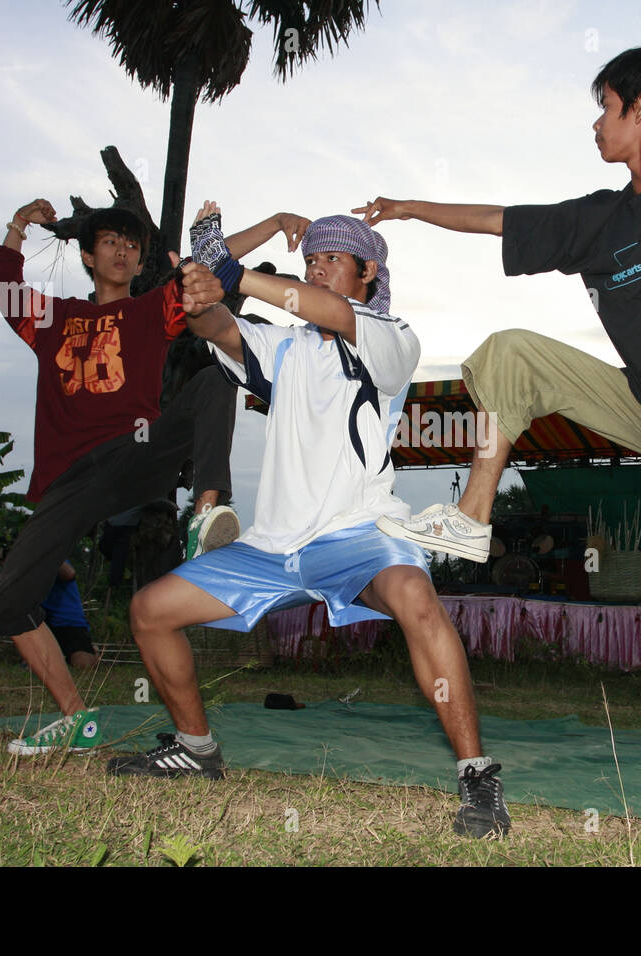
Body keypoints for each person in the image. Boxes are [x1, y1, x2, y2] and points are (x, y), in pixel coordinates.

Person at [359, 0, 641, 860]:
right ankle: (472, 515)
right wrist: (405, 207)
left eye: (606, 106)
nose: (596, 122)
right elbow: (497, 220)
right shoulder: (599, 217)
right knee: (510, 351)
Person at [108, 208, 510, 839]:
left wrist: (232, 272)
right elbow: (217, 328)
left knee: (414, 594)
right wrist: (198, 287)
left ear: (367, 272)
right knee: (149, 610)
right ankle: (196, 748)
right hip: (274, 545)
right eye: (312, 259)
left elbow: (326, 310)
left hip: (359, 534)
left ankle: (478, 776)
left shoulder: (389, 336)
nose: (317, 269)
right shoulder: (285, 345)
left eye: (332, 261)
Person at [0, 200, 304, 754]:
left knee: (214, 380)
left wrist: (276, 224)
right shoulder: (52, 318)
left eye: (132, 247)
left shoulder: (151, 310)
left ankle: (206, 512)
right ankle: (73, 718)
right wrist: (18, 226)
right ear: (88, 256)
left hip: (134, 452)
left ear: (139, 265)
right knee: (9, 601)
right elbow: (2, 283)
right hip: (70, 480)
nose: (123, 251)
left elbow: (209, 265)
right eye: (110, 242)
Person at [41, 562, 98, 669]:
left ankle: (90, 650)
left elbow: (69, 573)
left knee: (83, 664)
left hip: (67, 621)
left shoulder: (50, 553)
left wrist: (40, 554)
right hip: (39, 622)